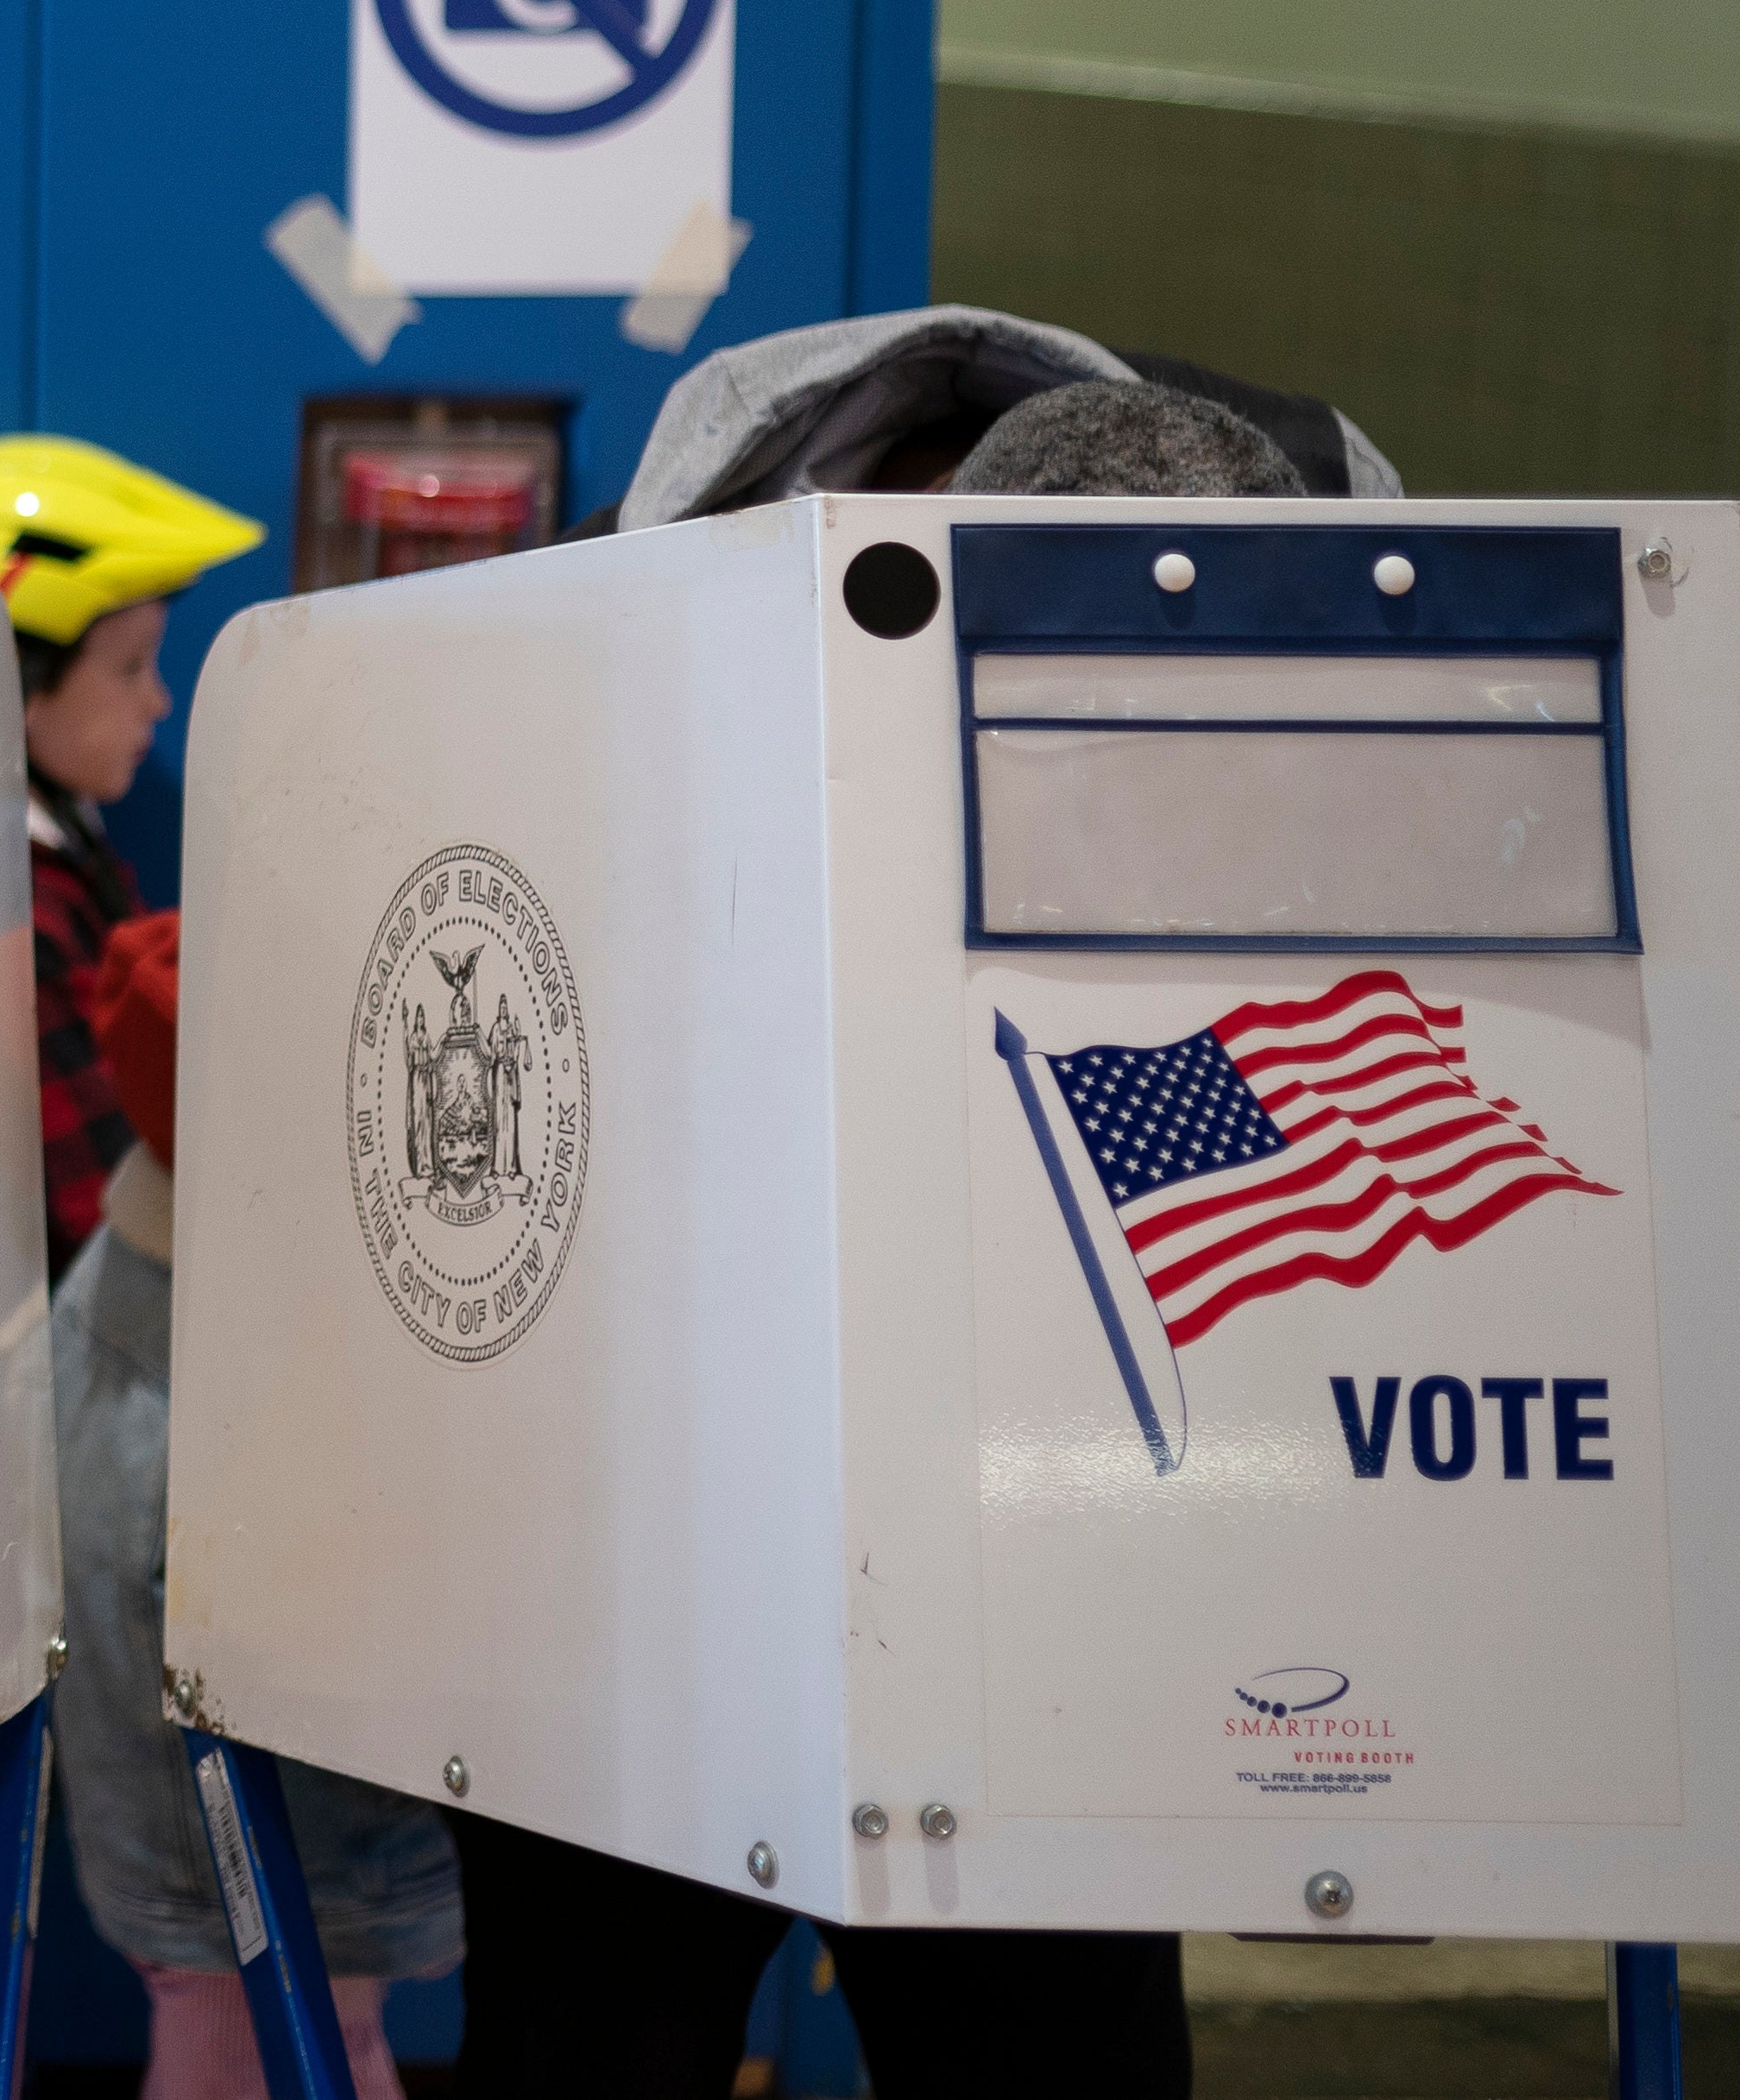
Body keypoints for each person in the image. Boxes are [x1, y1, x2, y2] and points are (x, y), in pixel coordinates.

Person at [432, 321, 1367, 2100]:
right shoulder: (625, 700)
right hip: (653, 1587)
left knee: (1051, 2058)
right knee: (595, 2043)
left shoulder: (1246, 655)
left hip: (1034, 1585)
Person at [0, 441, 459, 2100]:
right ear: (9, 675)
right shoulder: (12, 884)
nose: (156, 710)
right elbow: (95, 1208)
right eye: (133, 664)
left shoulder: (8, 849)